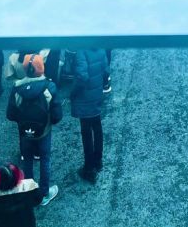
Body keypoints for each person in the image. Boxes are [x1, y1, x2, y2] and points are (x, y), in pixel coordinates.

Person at [6, 53, 62, 206]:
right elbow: (57, 115)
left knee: (27, 160)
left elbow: (10, 114)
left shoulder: (17, 89)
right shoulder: (49, 87)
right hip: (44, 131)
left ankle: (29, 192)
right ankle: (44, 193)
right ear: (41, 68)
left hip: (25, 133)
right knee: (45, 159)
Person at [67, 49, 110, 183]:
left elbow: (82, 76)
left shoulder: (82, 52)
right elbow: (106, 71)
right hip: (96, 94)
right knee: (97, 127)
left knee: (86, 132)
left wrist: (72, 94)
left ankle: (88, 167)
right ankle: (98, 160)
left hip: (84, 97)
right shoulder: (101, 49)